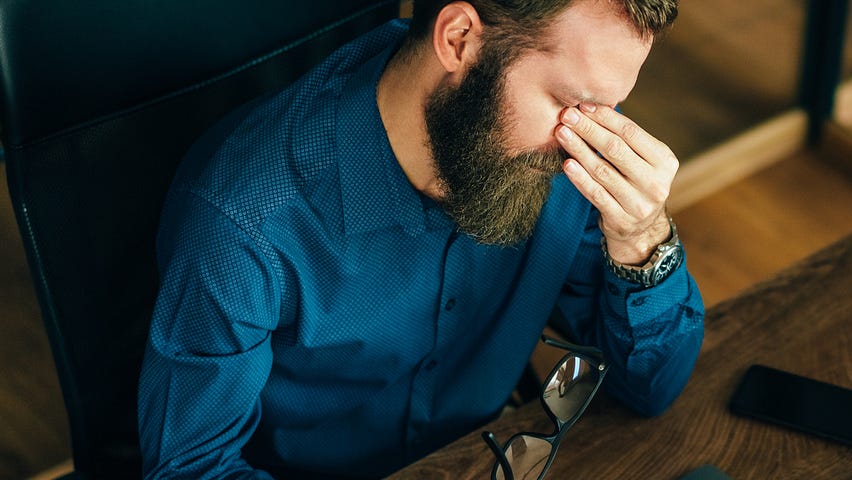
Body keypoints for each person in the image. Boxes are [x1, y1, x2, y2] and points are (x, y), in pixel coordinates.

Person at [136, 0, 702, 477]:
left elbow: (650, 390)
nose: (588, 134)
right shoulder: (244, 219)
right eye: (567, 102)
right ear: (459, 41)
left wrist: (642, 239)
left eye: (605, 105)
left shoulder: (564, 154)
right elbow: (193, 467)